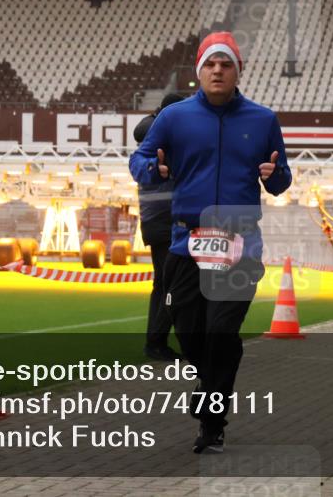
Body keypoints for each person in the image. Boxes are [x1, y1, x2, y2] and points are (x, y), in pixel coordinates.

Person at [129, 31, 291, 454]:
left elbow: (282, 178)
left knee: (221, 332)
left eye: (226, 64)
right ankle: (207, 380)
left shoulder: (262, 119)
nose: (218, 71)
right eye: (210, 64)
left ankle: (212, 422)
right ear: (199, 71)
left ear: (239, 71)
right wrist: (153, 170)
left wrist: (274, 177)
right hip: (186, 242)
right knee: (190, 333)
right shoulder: (174, 117)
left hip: (239, 241)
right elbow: (139, 159)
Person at [133, 93, 186, 362]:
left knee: (167, 284)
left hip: (159, 221)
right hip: (166, 222)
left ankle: (159, 341)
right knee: (169, 285)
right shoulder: (160, 137)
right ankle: (156, 343)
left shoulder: (153, 137)